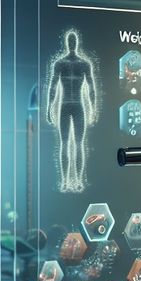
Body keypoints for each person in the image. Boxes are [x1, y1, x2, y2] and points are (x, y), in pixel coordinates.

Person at [46, 30, 97, 193]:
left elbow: (91, 88)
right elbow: (53, 87)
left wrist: (93, 108)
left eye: (74, 40)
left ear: (76, 43)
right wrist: (49, 107)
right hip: (66, 105)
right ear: (68, 43)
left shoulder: (84, 64)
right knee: (65, 143)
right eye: (71, 41)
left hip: (77, 106)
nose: (73, 43)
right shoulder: (60, 64)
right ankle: (65, 181)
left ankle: (79, 180)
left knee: (79, 143)